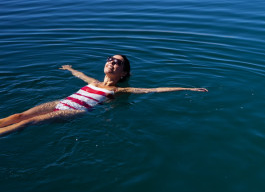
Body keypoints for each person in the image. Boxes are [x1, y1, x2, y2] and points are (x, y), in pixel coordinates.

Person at [0, 55, 207, 136]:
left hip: (74, 110)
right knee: (19, 116)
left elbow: (154, 90)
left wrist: (188, 88)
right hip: (62, 102)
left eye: (118, 62)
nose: (112, 62)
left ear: (123, 73)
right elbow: (80, 74)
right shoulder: (94, 82)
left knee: (27, 123)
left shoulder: (117, 90)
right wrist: (70, 69)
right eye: (110, 59)